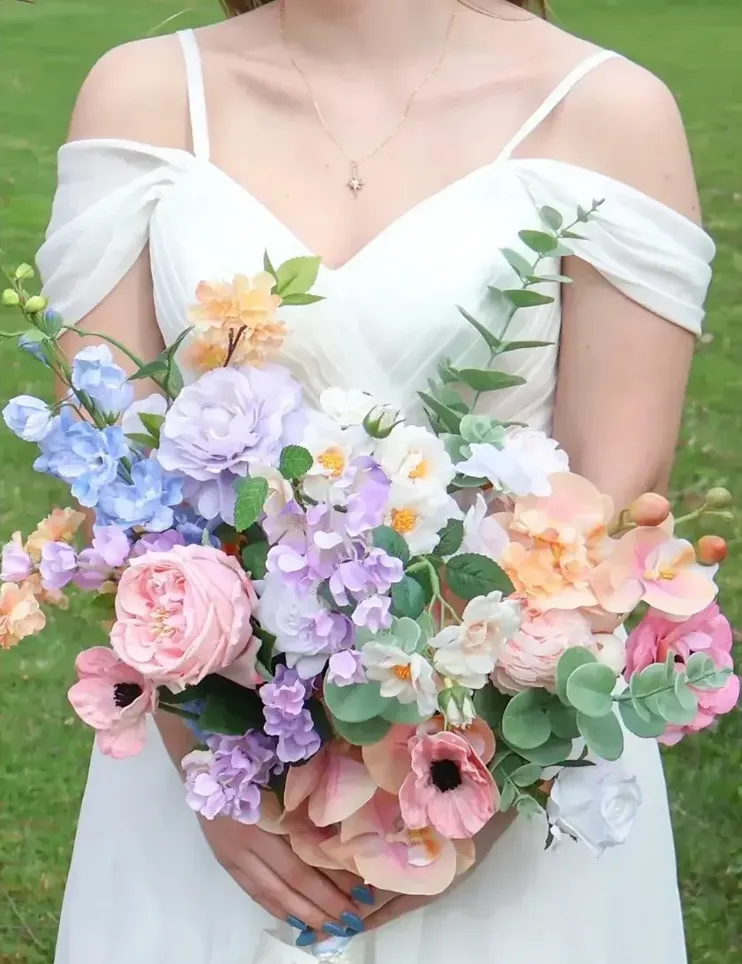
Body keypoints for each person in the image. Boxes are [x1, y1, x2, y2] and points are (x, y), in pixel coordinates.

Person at [39, 0, 714, 961]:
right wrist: (217, 769)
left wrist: (483, 785)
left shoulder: (606, 112)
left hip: (510, 778)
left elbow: (613, 506)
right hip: (213, 775)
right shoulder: (143, 95)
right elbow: (112, 470)